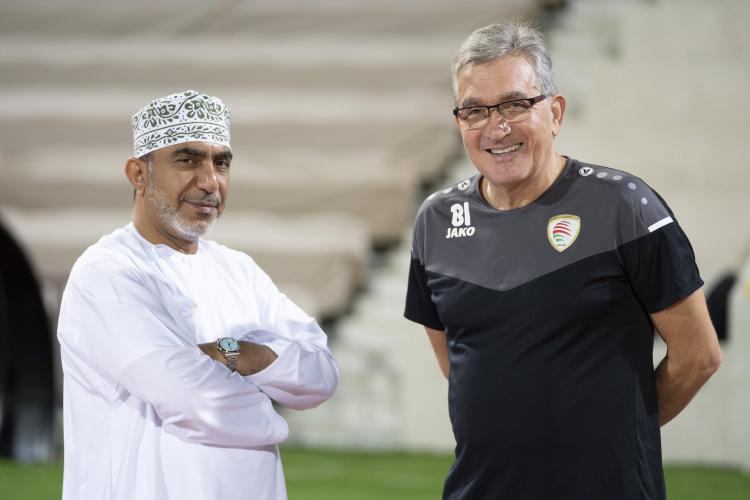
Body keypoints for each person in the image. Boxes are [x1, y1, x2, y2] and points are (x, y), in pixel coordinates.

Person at [404, 22, 722, 500]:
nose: (496, 127)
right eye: (475, 110)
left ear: (554, 112)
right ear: (459, 123)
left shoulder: (625, 206)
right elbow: (459, 364)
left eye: (515, 104)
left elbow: (699, 356)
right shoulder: (435, 221)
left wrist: (618, 433)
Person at [57, 90, 339, 500]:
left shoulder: (238, 270)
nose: (209, 182)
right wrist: (272, 404)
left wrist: (237, 353)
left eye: (221, 163)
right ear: (139, 174)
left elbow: (322, 374)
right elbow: (195, 400)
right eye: (187, 161)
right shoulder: (106, 273)